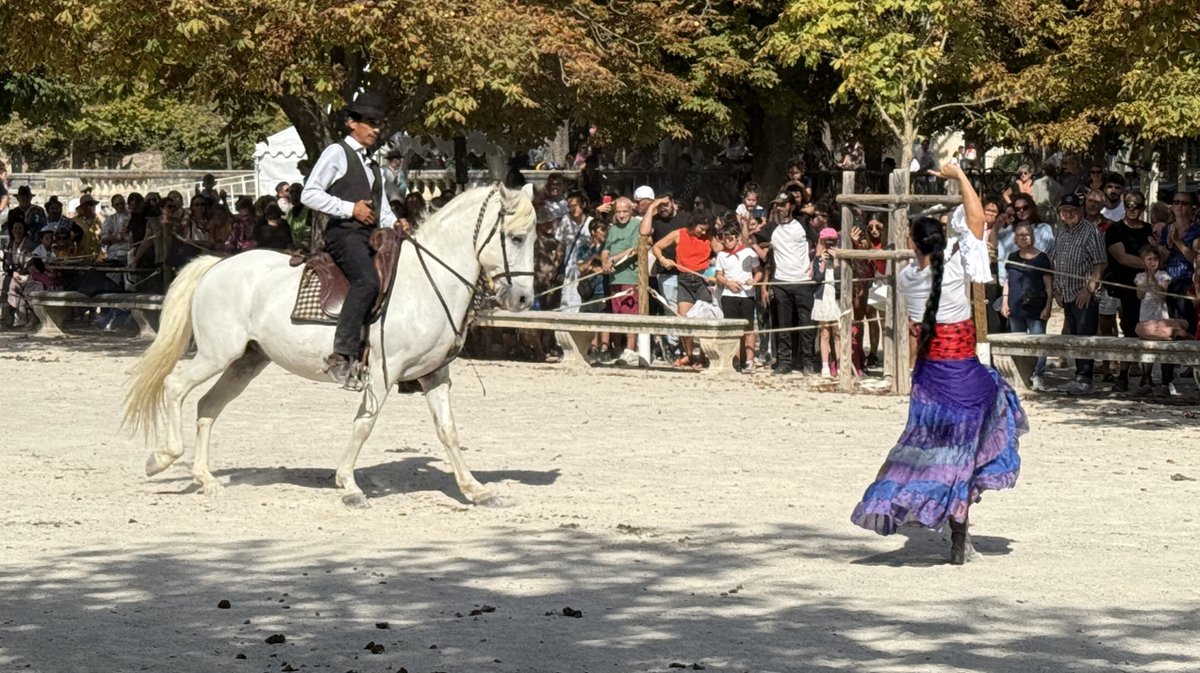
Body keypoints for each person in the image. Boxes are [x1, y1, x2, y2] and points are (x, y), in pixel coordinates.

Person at [851, 162, 1026, 565]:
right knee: (980, 434)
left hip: (929, 380)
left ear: (912, 244)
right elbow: (978, 219)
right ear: (942, 241)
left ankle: (939, 516)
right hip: (965, 378)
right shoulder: (956, 267)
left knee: (933, 451)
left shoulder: (906, 279)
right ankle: (960, 532)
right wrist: (960, 176)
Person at [300, 92, 398, 388]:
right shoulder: (336, 152)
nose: (376, 129)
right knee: (367, 282)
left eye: (378, 123)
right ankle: (341, 354)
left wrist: (398, 223)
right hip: (344, 235)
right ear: (352, 123)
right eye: (370, 122)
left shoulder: (374, 166)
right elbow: (309, 194)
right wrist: (349, 208)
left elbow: (383, 211)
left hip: (372, 236)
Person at [1049, 193, 1107, 394]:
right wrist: (1055, 289)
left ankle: (1085, 379)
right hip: (1065, 293)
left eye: (1072, 210)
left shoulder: (1091, 231)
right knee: (1073, 336)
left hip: (1083, 294)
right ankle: (1078, 376)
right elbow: (1051, 259)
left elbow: (1100, 263)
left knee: (1085, 336)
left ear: (1080, 211)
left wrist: (1088, 289)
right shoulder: (1060, 232)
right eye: (1064, 211)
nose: (1068, 214)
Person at [652, 207, 716, 368]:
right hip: (684, 279)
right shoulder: (679, 234)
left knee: (704, 319)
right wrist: (663, 259)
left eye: (706, 229)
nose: (703, 232)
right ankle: (688, 354)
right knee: (684, 320)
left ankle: (702, 357)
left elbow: (722, 252)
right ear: (694, 223)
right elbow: (656, 247)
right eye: (701, 228)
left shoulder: (709, 237)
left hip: (702, 279)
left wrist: (714, 272)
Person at [1104, 190, 1153, 392]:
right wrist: (1149, 264)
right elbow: (1122, 257)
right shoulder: (1114, 229)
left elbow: (1158, 253)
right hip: (1124, 288)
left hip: (1150, 288)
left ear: (1143, 208)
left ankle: (1147, 376)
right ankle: (1123, 374)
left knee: (1150, 330)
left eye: (1137, 206)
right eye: (1129, 205)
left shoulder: (1149, 229)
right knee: (1128, 330)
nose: (1132, 209)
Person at [1001, 222, 1054, 391]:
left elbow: (1049, 286)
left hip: (1037, 308)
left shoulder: (1042, 258)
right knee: (1018, 342)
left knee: (1039, 343)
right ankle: (1021, 376)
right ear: (1015, 239)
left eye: (1027, 234)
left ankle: (1038, 375)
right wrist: (1004, 302)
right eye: (1020, 235)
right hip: (1015, 309)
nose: (1023, 238)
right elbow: (1008, 282)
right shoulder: (1012, 257)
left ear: (1032, 236)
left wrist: (1048, 306)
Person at [1133, 246, 1189, 396]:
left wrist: (1154, 281)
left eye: (1156, 259)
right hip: (1146, 319)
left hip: (1161, 319)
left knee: (1165, 350)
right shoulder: (1139, 277)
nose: (1153, 262)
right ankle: (1146, 380)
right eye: (1149, 259)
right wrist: (1146, 281)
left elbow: (1162, 295)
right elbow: (1140, 295)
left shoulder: (1163, 276)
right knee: (1147, 350)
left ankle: (1166, 382)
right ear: (1143, 262)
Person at [714, 222, 761, 373]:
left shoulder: (749, 252)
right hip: (728, 295)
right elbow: (718, 275)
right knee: (732, 328)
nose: (727, 242)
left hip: (747, 295)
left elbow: (758, 271)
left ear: (738, 237)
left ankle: (749, 360)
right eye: (725, 239)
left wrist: (754, 281)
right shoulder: (721, 255)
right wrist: (728, 283)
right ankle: (735, 359)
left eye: (730, 238)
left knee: (748, 327)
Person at [810, 227, 843, 378]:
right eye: (826, 242)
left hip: (836, 298)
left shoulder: (841, 258)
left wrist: (836, 260)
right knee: (824, 333)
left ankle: (840, 365)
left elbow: (840, 281)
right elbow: (817, 279)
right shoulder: (817, 258)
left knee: (838, 333)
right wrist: (822, 262)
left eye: (832, 242)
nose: (829, 245)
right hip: (823, 297)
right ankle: (825, 366)